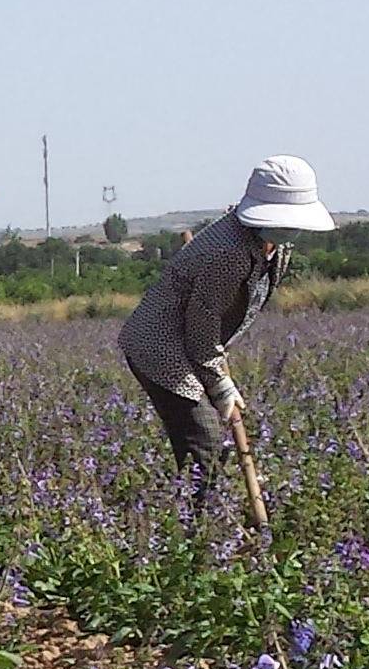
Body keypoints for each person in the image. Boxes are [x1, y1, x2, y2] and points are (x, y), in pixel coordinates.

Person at [118, 155, 333, 494]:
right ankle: (200, 527)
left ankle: (209, 512)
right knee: (204, 438)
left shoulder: (276, 246)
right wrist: (219, 385)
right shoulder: (228, 251)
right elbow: (202, 325)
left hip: (192, 342)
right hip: (159, 346)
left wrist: (216, 375)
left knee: (210, 439)